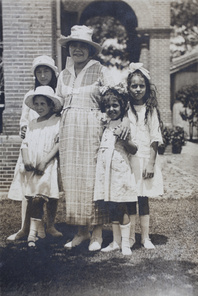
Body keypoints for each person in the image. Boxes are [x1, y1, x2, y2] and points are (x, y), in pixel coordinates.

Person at [57, 25, 126, 251]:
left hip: (92, 128)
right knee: (73, 180)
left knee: (92, 179)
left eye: (82, 46)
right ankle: (81, 232)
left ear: (90, 49)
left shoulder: (100, 70)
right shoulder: (63, 75)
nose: (78, 49)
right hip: (68, 131)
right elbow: (57, 105)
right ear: (68, 49)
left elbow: (116, 98)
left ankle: (97, 233)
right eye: (73, 45)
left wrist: (117, 120)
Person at [7, 56, 62, 241]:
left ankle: (50, 224)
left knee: (50, 186)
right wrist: (24, 130)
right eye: (39, 72)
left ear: (52, 73)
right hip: (32, 146)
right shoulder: (30, 96)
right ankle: (25, 227)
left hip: (51, 148)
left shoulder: (57, 94)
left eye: (46, 71)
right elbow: (24, 121)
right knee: (29, 189)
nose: (43, 75)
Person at [94, 85, 138, 255]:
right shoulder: (105, 124)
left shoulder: (125, 125)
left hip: (119, 172)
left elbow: (134, 149)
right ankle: (115, 241)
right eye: (108, 107)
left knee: (121, 206)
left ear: (122, 106)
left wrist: (125, 140)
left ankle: (126, 243)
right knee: (112, 206)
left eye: (115, 105)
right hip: (106, 172)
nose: (111, 109)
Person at [126, 62, 164, 249]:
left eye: (141, 85)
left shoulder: (151, 110)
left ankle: (145, 237)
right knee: (131, 198)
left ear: (147, 88)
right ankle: (131, 236)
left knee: (143, 198)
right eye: (134, 85)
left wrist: (151, 163)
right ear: (128, 87)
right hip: (130, 160)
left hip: (145, 158)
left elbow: (155, 138)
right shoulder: (126, 109)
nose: (138, 89)